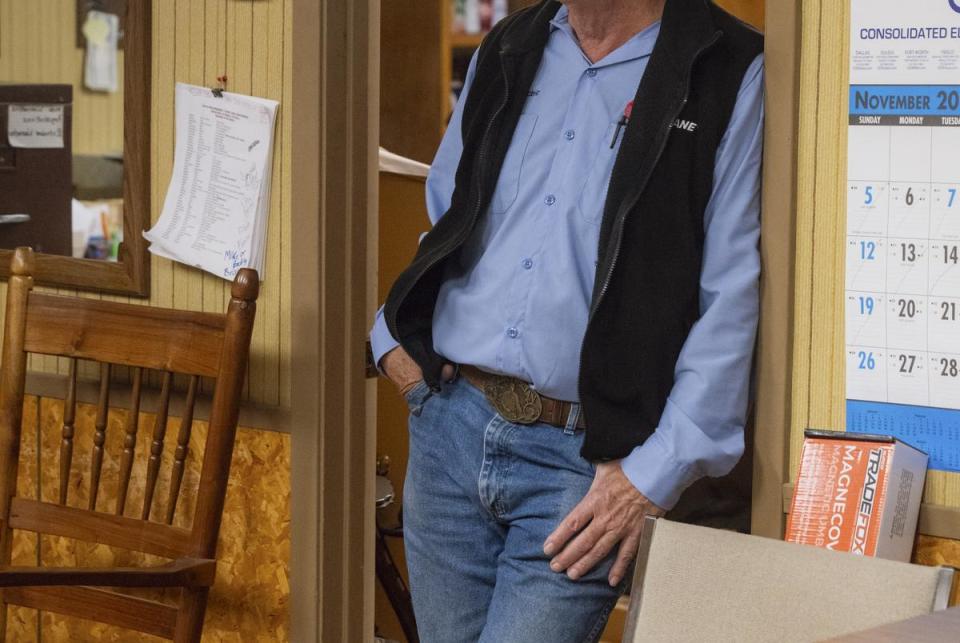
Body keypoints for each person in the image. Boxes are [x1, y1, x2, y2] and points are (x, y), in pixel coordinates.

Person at [370, 0, 764, 640]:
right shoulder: (509, 45)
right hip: (450, 430)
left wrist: (651, 477)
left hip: (586, 466)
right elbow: (449, 216)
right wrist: (393, 336)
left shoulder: (728, 66)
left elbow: (731, 296)